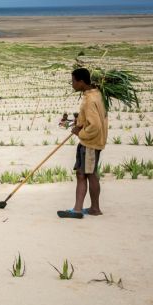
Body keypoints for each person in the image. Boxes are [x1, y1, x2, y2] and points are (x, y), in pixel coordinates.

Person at [58, 68, 108, 219]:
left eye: (73, 81)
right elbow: (91, 118)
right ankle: (93, 208)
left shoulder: (90, 99)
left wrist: (80, 133)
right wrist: (79, 124)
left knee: (87, 174)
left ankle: (80, 209)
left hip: (90, 143)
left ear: (80, 81)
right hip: (92, 142)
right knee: (84, 173)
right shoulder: (96, 94)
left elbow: (95, 125)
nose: (72, 84)